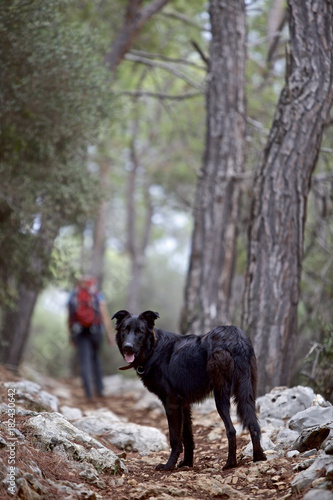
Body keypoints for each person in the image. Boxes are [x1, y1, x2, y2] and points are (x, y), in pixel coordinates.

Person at [68, 276, 114, 399]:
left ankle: (88, 393)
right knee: (95, 358)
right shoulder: (97, 295)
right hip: (96, 331)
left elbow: (70, 318)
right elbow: (104, 315)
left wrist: (71, 335)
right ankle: (100, 389)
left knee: (84, 361)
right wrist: (110, 335)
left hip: (80, 332)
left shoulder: (73, 296)